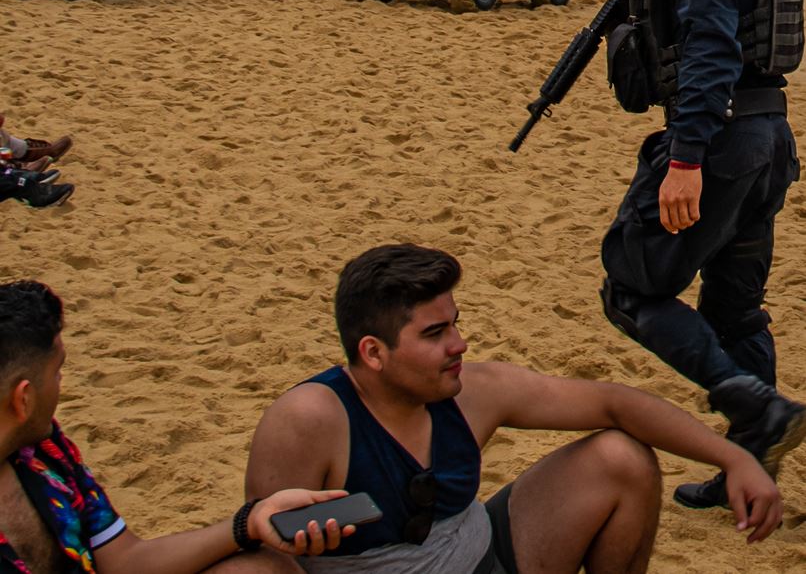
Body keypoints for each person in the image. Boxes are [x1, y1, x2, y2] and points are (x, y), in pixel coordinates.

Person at [245, 243, 784, 574]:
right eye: (435, 333)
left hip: (490, 557)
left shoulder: (470, 391)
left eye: (455, 322)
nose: (459, 344)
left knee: (621, 457)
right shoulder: (310, 420)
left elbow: (615, 403)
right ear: (373, 353)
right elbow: (266, 554)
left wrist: (735, 459)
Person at [602, 0, 806, 513]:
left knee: (629, 284)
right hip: (769, 135)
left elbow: (712, 45)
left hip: (721, 140)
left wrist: (685, 158)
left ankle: (753, 405)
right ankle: (746, 471)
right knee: (735, 308)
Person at [0, 280, 358, 572]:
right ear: (24, 399)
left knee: (259, 569)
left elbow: (125, 561)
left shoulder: (44, 453)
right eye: (57, 371)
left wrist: (249, 522)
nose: (62, 384)